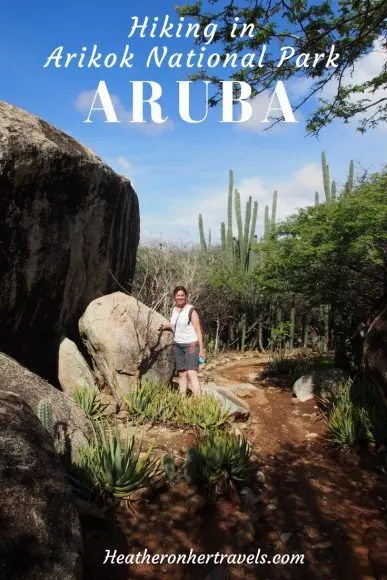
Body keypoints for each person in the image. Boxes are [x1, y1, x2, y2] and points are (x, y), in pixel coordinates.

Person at [159, 286, 205, 396]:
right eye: (178, 295)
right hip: (178, 345)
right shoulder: (174, 310)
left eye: (182, 295)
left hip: (191, 344)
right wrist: (164, 326)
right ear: (175, 297)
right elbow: (174, 325)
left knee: (191, 372)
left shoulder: (191, 311)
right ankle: (182, 399)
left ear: (186, 296)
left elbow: (198, 331)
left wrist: (201, 350)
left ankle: (199, 402)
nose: (180, 297)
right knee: (182, 373)